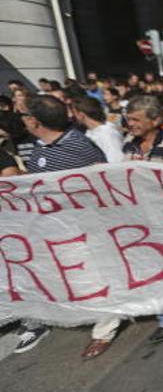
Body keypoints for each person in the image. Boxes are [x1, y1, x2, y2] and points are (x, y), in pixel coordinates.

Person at [14, 95, 106, 355]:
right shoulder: (41, 147)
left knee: (94, 276)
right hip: (51, 227)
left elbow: (99, 187)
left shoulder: (79, 148)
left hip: (79, 228)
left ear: (34, 121)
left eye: (23, 116)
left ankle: (105, 326)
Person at [121, 95, 163, 345]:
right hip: (139, 217)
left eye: (136, 119)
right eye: (129, 119)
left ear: (156, 120)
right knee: (155, 266)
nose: (131, 124)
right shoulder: (129, 142)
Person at [70, 96, 125, 164]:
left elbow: (116, 161)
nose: (71, 115)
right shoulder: (90, 132)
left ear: (81, 115)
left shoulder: (107, 133)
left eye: (73, 112)